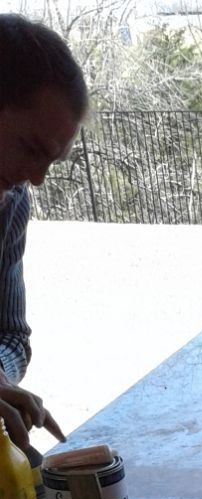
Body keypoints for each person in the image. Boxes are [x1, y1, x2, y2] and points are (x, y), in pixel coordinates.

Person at [0, 13, 88, 453]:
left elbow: (12, 337)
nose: (36, 179)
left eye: (51, 162)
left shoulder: (10, 206)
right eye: (31, 149)